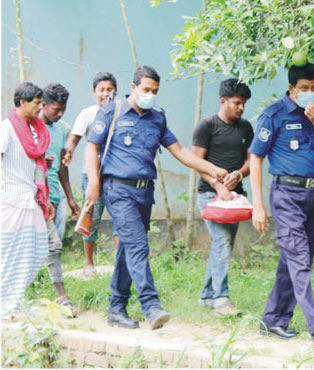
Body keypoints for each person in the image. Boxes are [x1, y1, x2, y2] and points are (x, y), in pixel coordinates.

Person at [85, 65, 228, 330]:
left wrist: (214, 170)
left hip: (144, 192)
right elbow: (92, 146)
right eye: (146, 90)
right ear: (133, 88)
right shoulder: (111, 112)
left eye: (155, 91)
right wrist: (93, 182)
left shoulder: (157, 118)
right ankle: (151, 306)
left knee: (129, 248)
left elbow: (181, 152)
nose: (150, 94)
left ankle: (116, 308)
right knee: (138, 245)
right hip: (118, 189)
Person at [249, 62, 314, 348]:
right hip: (286, 196)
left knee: (295, 259)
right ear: (291, 89)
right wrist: (258, 204)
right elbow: (255, 157)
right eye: (304, 89)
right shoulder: (274, 115)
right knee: (300, 261)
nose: (309, 93)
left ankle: (273, 319)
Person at [192, 78, 254, 317]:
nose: (241, 108)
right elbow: (198, 163)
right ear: (223, 101)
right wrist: (219, 187)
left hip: (236, 198)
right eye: (237, 103)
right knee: (222, 242)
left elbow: (251, 161)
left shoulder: (246, 127)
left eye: (244, 103)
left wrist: (238, 174)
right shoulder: (206, 126)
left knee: (224, 243)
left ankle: (207, 295)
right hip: (210, 195)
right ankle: (221, 298)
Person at [1, 82, 51, 317]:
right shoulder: (7, 129)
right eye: (37, 102)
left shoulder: (36, 130)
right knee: (9, 254)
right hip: (11, 200)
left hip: (31, 200)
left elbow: (35, 162)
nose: (41, 107)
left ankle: (15, 300)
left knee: (36, 250)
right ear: (22, 102)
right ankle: (6, 306)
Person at [63, 72, 119, 278]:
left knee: (120, 219)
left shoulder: (121, 111)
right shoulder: (87, 114)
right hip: (92, 175)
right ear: (94, 92)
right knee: (91, 218)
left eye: (109, 89)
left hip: (117, 175)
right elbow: (74, 139)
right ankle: (88, 263)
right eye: (101, 89)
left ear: (116, 91)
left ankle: (119, 262)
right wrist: (68, 152)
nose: (105, 93)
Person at [39, 82, 80, 316]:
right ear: (43, 105)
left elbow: (63, 167)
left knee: (54, 245)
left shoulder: (63, 128)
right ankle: (61, 296)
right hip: (35, 198)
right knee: (50, 245)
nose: (60, 113)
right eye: (56, 109)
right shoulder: (30, 128)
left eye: (63, 109)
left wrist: (70, 198)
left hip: (55, 197)